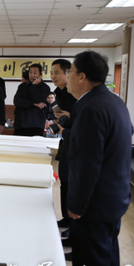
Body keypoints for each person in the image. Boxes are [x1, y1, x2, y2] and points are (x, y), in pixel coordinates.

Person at [63, 51, 133, 266]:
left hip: (95, 203)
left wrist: (76, 205)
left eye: (70, 72)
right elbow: (126, 133)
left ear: (81, 76)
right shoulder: (112, 101)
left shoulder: (91, 108)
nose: (67, 77)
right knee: (105, 262)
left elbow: (89, 162)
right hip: (113, 197)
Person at [50, 59, 78, 239]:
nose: (53, 76)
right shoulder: (59, 92)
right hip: (66, 141)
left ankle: (73, 223)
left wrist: (68, 118)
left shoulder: (73, 93)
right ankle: (66, 218)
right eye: (51, 73)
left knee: (71, 182)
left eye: (56, 72)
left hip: (74, 141)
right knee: (64, 181)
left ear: (68, 73)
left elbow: (77, 119)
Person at [13, 63, 50, 136]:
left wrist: (34, 85)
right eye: (30, 72)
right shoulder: (22, 86)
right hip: (20, 123)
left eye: (35, 73)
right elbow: (16, 101)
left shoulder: (45, 87)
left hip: (35, 124)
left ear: (40, 74)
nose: (32, 75)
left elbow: (38, 99)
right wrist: (33, 104)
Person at [12, 69, 29, 136]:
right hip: (19, 119)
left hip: (26, 121)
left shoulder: (23, 86)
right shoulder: (21, 87)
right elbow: (16, 101)